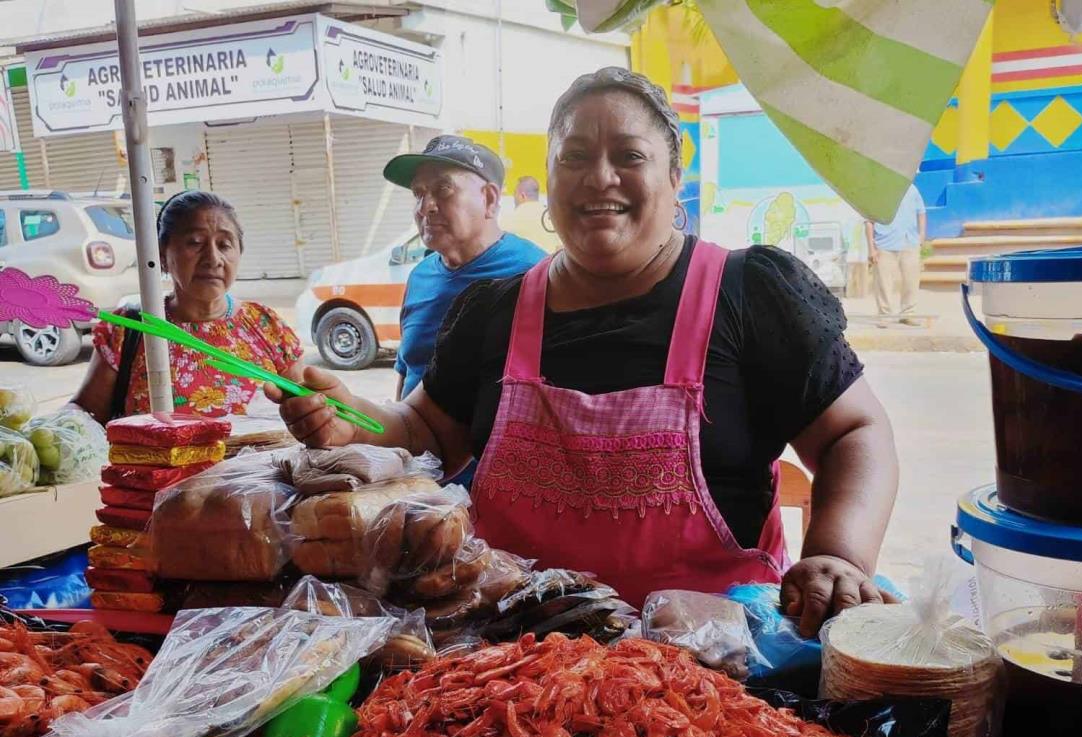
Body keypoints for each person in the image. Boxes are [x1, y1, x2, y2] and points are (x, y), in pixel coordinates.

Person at [269, 68, 899, 637]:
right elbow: (428, 429)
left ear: (674, 178)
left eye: (629, 155)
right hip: (511, 667)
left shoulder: (750, 294)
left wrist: (838, 555)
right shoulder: (493, 310)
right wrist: (355, 414)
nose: (600, 177)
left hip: (716, 673)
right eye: (574, 156)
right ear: (546, 182)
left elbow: (855, 432)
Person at [73, 191, 302, 422]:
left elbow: (306, 410)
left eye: (224, 245)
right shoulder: (130, 329)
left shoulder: (265, 326)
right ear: (162, 255)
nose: (213, 258)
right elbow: (85, 413)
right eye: (195, 243)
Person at [387, 137, 546, 405]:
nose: (425, 207)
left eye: (443, 188)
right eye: (419, 193)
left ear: (489, 198)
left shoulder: (535, 275)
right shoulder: (420, 277)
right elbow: (408, 367)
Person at [865, 184, 926, 327]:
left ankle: (908, 314)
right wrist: (871, 248)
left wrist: (922, 235)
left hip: (909, 241)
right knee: (883, 283)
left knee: (911, 281)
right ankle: (885, 315)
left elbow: (921, 212)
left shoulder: (913, 189)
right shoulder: (877, 192)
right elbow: (869, 222)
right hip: (884, 244)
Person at [502, 175, 563, 253]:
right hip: (551, 263)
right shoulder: (553, 216)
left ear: (522, 195)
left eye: (515, 194)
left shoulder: (509, 219)